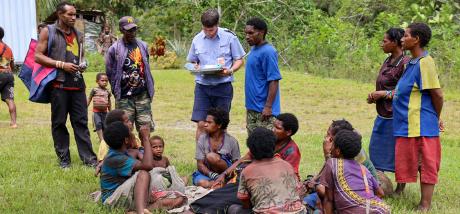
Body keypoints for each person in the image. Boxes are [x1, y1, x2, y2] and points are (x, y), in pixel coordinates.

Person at [35, 1, 97, 168]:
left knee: (81, 123)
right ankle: (64, 160)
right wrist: (61, 64)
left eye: (74, 14)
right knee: (59, 123)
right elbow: (38, 56)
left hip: (77, 85)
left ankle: (89, 159)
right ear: (59, 14)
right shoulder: (48, 31)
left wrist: (83, 64)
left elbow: (80, 56)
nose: (73, 17)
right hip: (58, 85)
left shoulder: (78, 33)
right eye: (69, 14)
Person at [393, 23, 443, 211]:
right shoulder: (412, 62)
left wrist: (434, 118)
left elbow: (437, 95)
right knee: (411, 161)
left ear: (417, 39)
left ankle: (425, 204)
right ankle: (401, 191)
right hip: (408, 124)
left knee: (427, 164)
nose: (402, 39)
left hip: (421, 124)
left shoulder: (425, 62)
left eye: (405, 36)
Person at [187, 8, 245, 140]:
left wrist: (230, 70)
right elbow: (192, 60)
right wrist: (195, 66)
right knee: (202, 124)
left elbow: (239, 60)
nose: (208, 33)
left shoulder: (230, 37)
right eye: (205, 30)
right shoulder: (197, 39)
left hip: (223, 87)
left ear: (217, 24)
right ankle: (201, 159)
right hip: (203, 87)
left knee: (220, 126)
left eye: (211, 30)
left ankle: (219, 158)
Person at [367, 27, 410, 194]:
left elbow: (405, 91)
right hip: (382, 115)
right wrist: (375, 97)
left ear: (394, 43)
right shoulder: (388, 60)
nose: (381, 44)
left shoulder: (406, 63)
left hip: (397, 116)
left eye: (385, 41)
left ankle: (400, 188)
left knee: (398, 152)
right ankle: (379, 184)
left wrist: (383, 94)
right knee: (376, 150)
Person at [228, 127, 305, 214]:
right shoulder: (287, 165)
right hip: (299, 212)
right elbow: (299, 192)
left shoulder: (247, 171)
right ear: (273, 146)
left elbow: (245, 203)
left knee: (233, 209)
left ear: (251, 150)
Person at [105, 16, 155, 136]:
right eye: (129, 30)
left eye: (134, 29)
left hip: (142, 95)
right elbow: (110, 72)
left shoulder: (142, 45)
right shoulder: (114, 49)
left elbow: (146, 67)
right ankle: (128, 154)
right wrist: (117, 90)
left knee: (145, 128)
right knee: (125, 129)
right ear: (121, 30)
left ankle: (145, 153)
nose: (132, 33)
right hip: (124, 97)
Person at [321, 130, 390, 214]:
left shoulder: (332, 163)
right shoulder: (363, 168)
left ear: (338, 151)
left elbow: (328, 199)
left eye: (333, 145)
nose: (330, 147)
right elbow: (380, 193)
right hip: (382, 209)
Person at [100, 121, 153, 214]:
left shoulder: (117, 153)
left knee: (175, 200)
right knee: (143, 174)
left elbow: (146, 161)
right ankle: (141, 211)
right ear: (126, 140)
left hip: (121, 195)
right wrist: (145, 138)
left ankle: (138, 210)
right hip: (112, 200)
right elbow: (148, 165)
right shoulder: (117, 158)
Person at [244, 17, 282, 135]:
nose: (247, 36)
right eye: (246, 33)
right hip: (252, 108)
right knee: (253, 145)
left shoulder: (268, 52)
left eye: (251, 33)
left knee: (265, 146)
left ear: (261, 33)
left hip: (264, 111)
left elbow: (274, 80)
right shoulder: (254, 50)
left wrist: (268, 107)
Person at [192, 107, 241, 188]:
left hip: (226, 173)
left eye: (209, 122)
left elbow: (237, 164)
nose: (205, 124)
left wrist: (225, 175)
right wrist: (213, 175)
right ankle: (219, 184)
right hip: (208, 174)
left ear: (219, 125)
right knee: (202, 183)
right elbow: (200, 164)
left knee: (211, 156)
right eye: (205, 121)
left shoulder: (232, 141)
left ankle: (221, 183)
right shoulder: (202, 138)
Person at [0, 26, 17, 128]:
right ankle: (14, 123)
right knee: (10, 99)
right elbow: (12, 63)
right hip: (9, 75)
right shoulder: (8, 48)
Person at [88, 72, 112, 143]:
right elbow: (89, 98)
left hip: (105, 112)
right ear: (97, 81)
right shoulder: (94, 90)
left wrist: (110, 111)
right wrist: (85, 107)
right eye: (102, 80)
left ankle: (105, 139)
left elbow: (109, 101)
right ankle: (101, 139)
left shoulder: (108, 91)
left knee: (105, 125)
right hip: (96, 112)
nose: (104, 82)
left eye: (106, 81)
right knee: (98, 124)